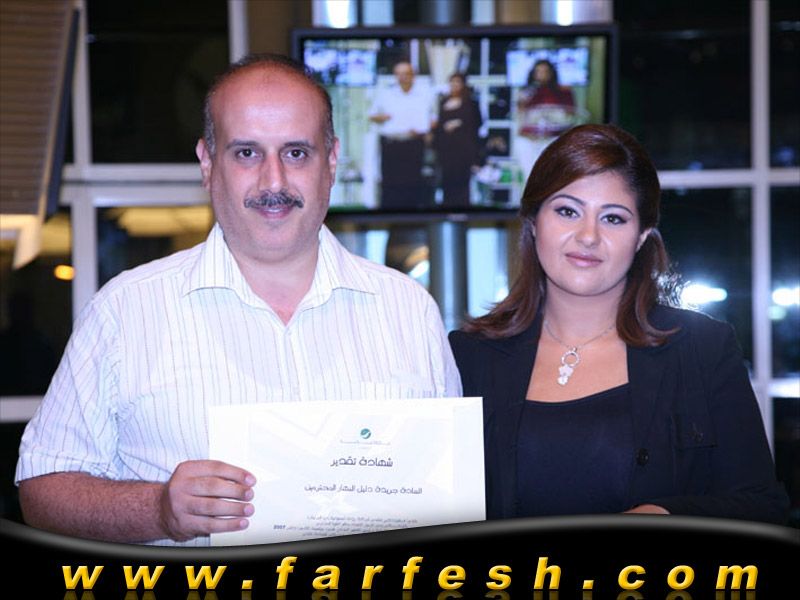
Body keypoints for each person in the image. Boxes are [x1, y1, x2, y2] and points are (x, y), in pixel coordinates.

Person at [15, 54, 462, 546]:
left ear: (332, 161)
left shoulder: (408, 310)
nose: (274, 182)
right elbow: (43, 490)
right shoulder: (125, 311)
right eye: (247, 153)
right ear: (208, 163)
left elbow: (452, 490)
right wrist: (158, 509)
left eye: (296, 153)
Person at [449, 123, 790, 524]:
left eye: (613, 218)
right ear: (534, 220)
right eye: (567, 211)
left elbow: (762, 507)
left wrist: (664, 514)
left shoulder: (702, 349)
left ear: (642, 235)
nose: (588, 236)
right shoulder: (469, 356)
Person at [368, 60, 437, 210]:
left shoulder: (424, 95)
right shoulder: (386, 94)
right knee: (391, 182)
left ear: (413, 75)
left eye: (406, 74)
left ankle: (411, 213)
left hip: (414, 143)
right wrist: (384, 117)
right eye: (399, 74)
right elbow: (372, 115)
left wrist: (426, 130)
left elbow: (433, 119)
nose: (402, 77)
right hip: (392, 144)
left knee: (413, 182)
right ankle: (389, 213)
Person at [514, 59, 577, 180]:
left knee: (550, 176)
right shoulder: (526, 91)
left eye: (545, 71)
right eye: (538, 71)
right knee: (530, 173)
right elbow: (520, 117)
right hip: (529, 139)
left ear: (552, 73)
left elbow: (569, 116)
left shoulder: (563, 90)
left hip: (553, 138)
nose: (542, 75)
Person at [432, 72, 484, 209]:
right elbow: (438, 125)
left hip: (464, 149)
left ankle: (463, 210)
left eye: (457, 82)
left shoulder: (471, 103)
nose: (454, 85)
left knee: (462, 182)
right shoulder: (443, 102)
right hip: (446, 150)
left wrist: (459, 123)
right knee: (447, 181)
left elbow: (478, 124)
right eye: (452, 82)